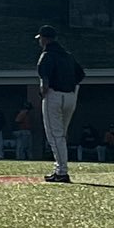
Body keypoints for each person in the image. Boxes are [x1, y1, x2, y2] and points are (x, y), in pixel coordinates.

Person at [36, 25, 86, 183]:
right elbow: (81, 75)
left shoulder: (47, 55)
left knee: (55, 136)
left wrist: (43, 94)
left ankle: (61, 171)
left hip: (54, 96)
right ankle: (60, 169)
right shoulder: (68, 56)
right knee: (61, 135)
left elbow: (44, 82)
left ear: (44, 39)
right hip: (70, 96)